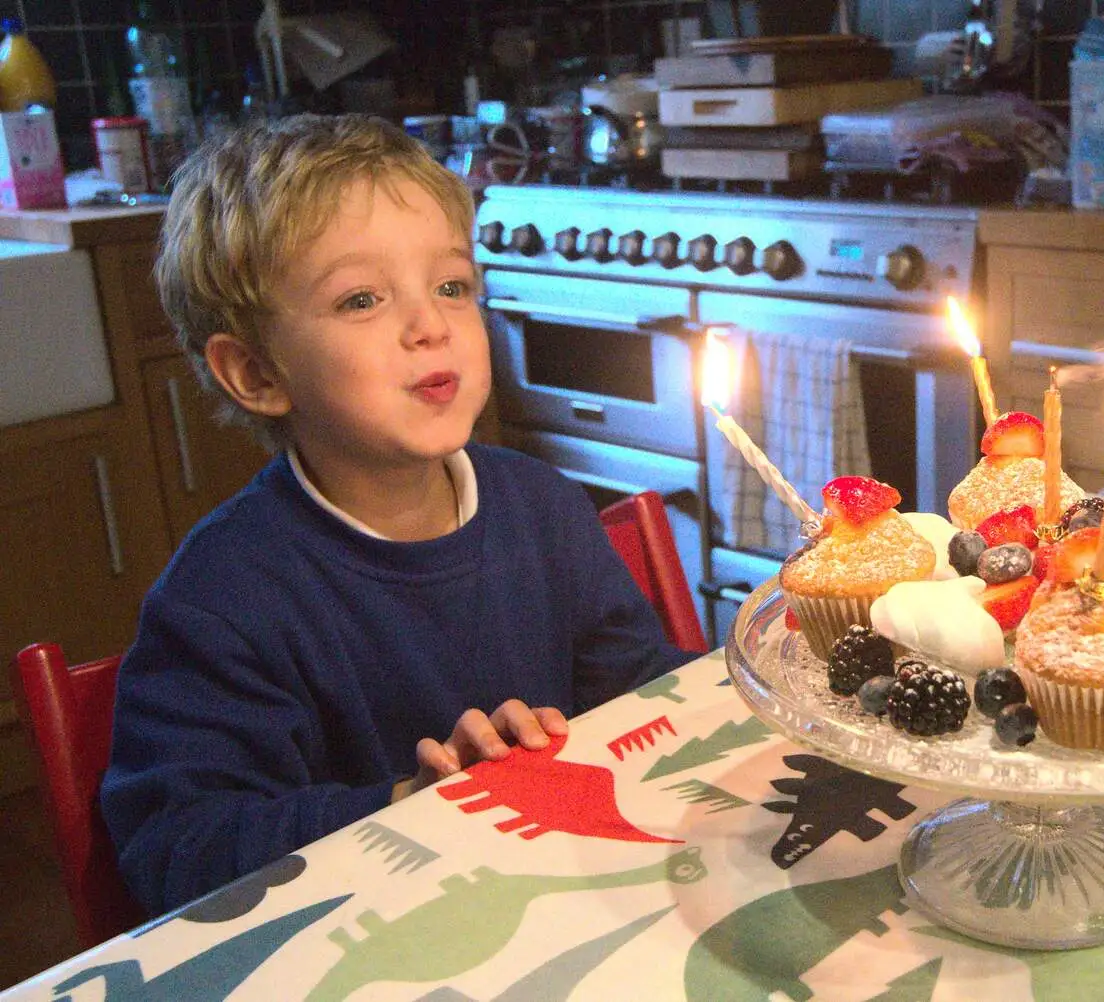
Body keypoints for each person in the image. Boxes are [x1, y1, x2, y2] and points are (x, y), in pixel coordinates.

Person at [100, 114, 696, 916]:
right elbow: (179, 849)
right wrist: (407, 800)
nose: (431, 325)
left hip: (568, 905)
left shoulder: (542, 505)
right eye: (362, 299)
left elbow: (643, 696)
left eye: (451, 286)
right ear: (253, 372)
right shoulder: (222, 597)